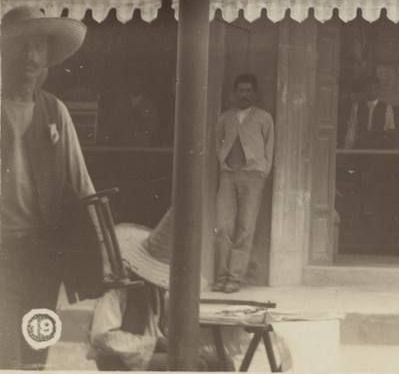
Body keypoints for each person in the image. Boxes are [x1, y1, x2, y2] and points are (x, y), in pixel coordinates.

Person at [1, 6, 100, 370]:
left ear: (47, 57)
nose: (29, 56)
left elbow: (81, 183)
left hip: (43, 253)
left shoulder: (55, 112)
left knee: (35, 346)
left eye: (38, 47)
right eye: (20, 46)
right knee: (3, 351)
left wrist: (105, 250)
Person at [89, 209, 253, 371]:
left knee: (222, 362)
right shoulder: (117, 291)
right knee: (194, 365)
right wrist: (154, 343)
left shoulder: (155, 289)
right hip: (124, 360)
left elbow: (162, 327)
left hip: (149, 350)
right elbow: (102, 338)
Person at [213, 73, 274, 293]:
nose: (244, 95)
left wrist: (262, 171)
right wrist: (223, 162)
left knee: (246, 227)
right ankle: (220, 275)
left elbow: (269, 146)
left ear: (255, 94)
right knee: (223, 226)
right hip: (228, 176)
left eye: (249, 91)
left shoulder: (264, 118)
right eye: (241, 91)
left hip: (253, 177)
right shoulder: (225, 117)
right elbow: (217, 141)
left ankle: (234, 278)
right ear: (234, 93)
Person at [344, 75, 395, 149]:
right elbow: (352, 128)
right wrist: (347, 147)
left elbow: (391, 129)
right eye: (369, 88)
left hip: (379, 147)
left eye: (375, 89)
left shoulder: (387, 108)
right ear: (365, 90)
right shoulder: (356, 107)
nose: (372, 91)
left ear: (378, 90)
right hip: (362, 146)